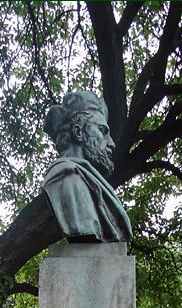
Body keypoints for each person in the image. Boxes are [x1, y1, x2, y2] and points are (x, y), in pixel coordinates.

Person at [42, 91, 132, 243]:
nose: (111, 143)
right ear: (78, 132)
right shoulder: (66, 177)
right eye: (103, 131)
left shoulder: (87, 179)